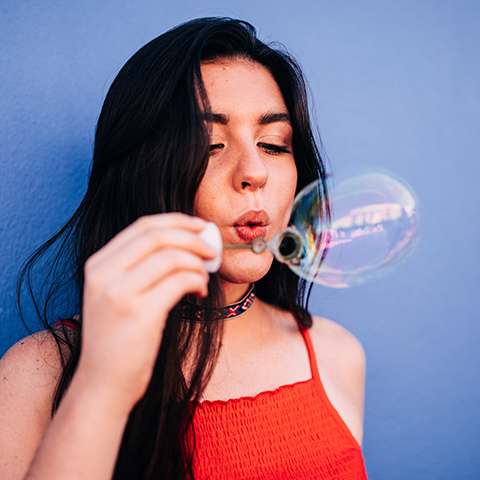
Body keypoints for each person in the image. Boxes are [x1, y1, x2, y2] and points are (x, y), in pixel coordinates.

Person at [0, 17, 367, 479]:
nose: (254, 172)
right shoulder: (36, 376)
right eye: (210, 143)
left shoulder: (336, 355)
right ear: (140, 171)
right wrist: (101, 387)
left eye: (274, 144)